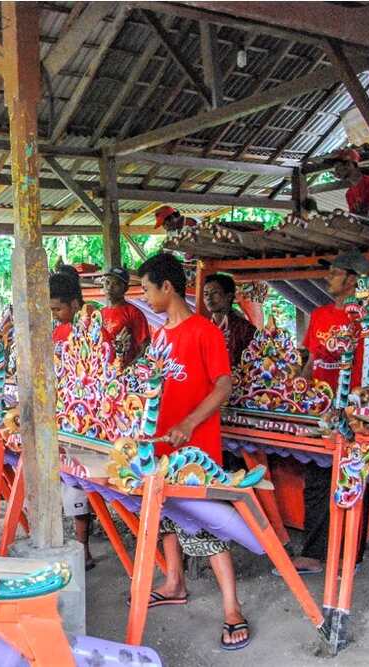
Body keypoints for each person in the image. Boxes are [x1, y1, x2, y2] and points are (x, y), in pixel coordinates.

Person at [137, 252, 250, 651]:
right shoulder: (159, 335)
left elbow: (223, 386)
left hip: (197, 448)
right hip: (162, 443)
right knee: (167, 515)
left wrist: (188, 423)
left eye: (148, 289)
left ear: (167, 287)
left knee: (206, 525)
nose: (146, 297)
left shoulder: (205, 331)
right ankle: (174, 582)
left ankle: (232, 608)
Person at [292, 249, 369, 573]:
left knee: (352, 482)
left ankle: (349, 557)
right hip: (321, 410)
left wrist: (367, 409)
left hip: (355, 417)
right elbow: (311, 361)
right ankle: (313, 553)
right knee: (316, 480)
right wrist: (298, 388)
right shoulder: (320, 315)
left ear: (352, 279)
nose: (328, 277)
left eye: (334, 273)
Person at [48, 269, 97, 568]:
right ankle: (80, 547)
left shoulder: (89, 331)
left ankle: (83, 548)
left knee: (77, 480)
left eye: (57, 309)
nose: (54, 315)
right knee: (69, 480)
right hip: (61, 412)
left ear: (75, 304)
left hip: (84, 415)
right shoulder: (57, 331)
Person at [202, 273, 257, 367]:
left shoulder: (245, 329)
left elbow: (254, 362)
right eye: (206, 294)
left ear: (229, 296)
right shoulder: (202, 329)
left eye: (215, 293)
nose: (208, 298)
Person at [100, 267, 150, 367]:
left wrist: (129, 370)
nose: (110, 287)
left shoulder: (134, 313)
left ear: (125, 288)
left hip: (124, 374)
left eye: (116, 284)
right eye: (107, 282)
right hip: (103, 373)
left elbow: (145, 347)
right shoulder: (99, 314)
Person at [329, 148, 369, 219]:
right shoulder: (349, 194)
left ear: (350, 164)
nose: (336, 172)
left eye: (338, 167)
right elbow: (355, 219)